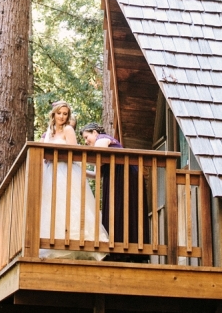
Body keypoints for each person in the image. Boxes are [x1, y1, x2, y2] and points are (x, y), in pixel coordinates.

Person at [39, 101, 107, 259]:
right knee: (54, 206)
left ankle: (79, 241)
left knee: (71, 204)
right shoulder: (49, 132)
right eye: (59, 113)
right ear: (53, 114)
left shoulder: (68, 130)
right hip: (51, 172)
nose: (62, 117)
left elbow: (74, 152)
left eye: (65, 114)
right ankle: (55, 243)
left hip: (67, 170)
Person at [81, 123, 149, 259]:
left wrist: (80, 158)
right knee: (117, 212)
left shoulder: (102, 139)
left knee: (124, 210)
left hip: (124, 176)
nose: (86, 141)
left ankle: (129, 253)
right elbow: (97, 174)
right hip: (115, 179)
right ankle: (119, 251)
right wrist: (79, 170)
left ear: (95, 132)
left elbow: (98, 160)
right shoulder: (99, 144)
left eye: (86, 137)